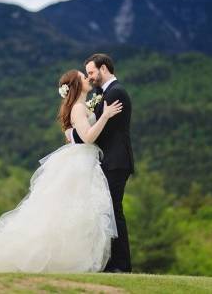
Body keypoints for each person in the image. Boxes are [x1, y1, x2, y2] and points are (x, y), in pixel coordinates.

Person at [0, 69, 123, 273]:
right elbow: (87, 137)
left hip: (83, 160)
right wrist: (104, 116)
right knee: (74, 210)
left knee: (78, 212)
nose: (88, 79)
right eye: (83, 77)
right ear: (77, 85)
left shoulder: (81, 106)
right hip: (80, 164)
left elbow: (75, 135)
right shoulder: (77, 108)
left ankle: (72, 257)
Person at [68, 53, 134, 273]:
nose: (90, 77)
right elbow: (91, 128)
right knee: (107, 212)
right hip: (107, 161)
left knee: (114, 211)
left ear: (104, 68)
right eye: (88, 74)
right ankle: (109, 263)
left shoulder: (116, 93)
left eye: (92, 72)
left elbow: (100, 133)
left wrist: (75, 136)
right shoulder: (101, 93)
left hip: (116, 161)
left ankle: (121, 266)